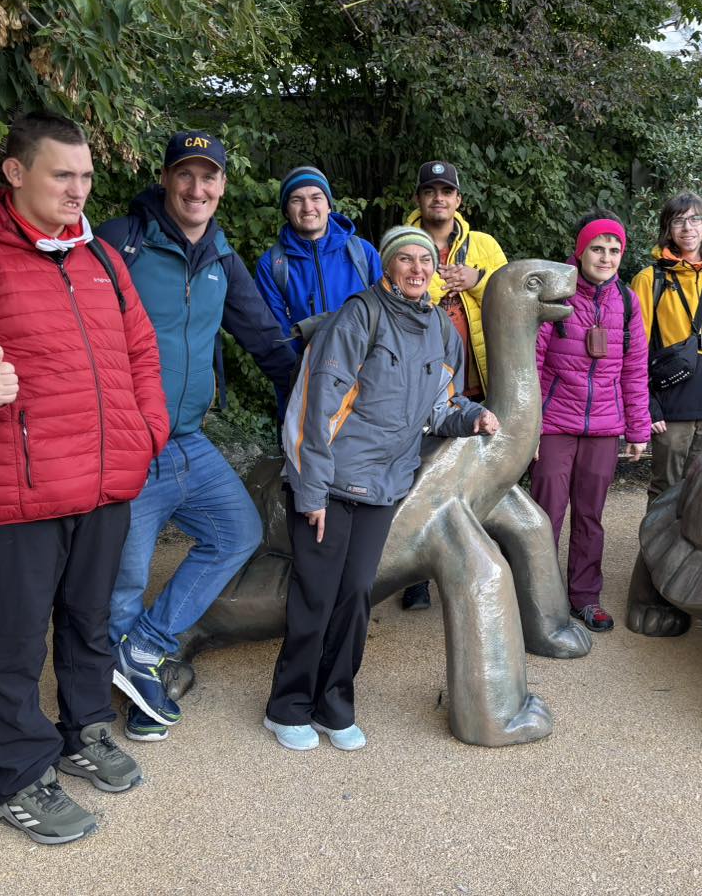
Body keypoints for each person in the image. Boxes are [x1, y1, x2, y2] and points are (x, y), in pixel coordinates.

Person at [0, 112, 170, 845]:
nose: (77, 190)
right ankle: (23, 776)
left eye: (86, 176)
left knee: (89, 620)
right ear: (16, 173)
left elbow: (141, 352)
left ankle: (85, 729)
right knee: (14, 641)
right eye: (62, 175)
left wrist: (148, 431)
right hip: (20, 492)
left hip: (106, 483)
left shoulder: (102, 258)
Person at [97, 131, 299, 744]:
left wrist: (318, 402)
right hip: (128, 441)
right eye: (185, 174)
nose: (196, 188)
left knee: (237, 532)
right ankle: (124, 692)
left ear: (222, 186)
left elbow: (265, 339)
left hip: (187, 438)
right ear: (165, 178)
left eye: (208, 176)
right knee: (125, 578)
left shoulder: (221, 258)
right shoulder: (120, 243)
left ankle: (144, 648)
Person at [264, 226, 499, 752]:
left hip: (384, 486)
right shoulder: (358, 317)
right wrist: (311, 491)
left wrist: (473, 417)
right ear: (387, 266)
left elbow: (440, 407)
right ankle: (287, 707)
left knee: (355, 597)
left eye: (425, 260)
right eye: (405, 259)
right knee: (316, 594)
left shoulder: (441, 330)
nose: (417, 268)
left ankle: (334, 705)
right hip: (330, 482)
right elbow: (313, 407)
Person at [530, 211, 651, 632]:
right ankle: (538, 598)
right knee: (545, 514)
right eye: (598, 249)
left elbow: (634, 369)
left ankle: (584, 597)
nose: (606, 257)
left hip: (604, 427)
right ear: (580, 252)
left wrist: (637, 428)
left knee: (590, 516)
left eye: (614, 250)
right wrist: (530, 427)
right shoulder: (555, 296)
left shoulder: (628, 302)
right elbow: (533, 362)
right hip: (553, 424)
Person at [399, 160, 508, 610]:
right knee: (421, 474)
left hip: (477, 382)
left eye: (446, 191)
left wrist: (477, 281)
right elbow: (387, 296)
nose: (438, 198)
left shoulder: (483, 245)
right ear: (419, 198)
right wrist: (430, 291)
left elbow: (511, 296)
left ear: (459, 200)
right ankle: (416, 574)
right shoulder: (403, 243)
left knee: (475, 475)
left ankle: (472, 565)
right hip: (423, 387)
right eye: (430, 191)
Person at [629, 192, 702, 506]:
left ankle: (694, 542)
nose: (688, 227)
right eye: (678, 221)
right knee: (665, 489)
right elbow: (635, 349)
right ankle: (657, 541)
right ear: (667, 229)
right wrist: (648, 405)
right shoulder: (650, 280)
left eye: (695, 219)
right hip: (671, 406)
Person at [253, 165, 382, 421]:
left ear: (329, 205)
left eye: (316, 197)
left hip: (364, 384)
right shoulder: (273, 265)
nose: (308, 207)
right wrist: (302, 381)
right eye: (296, 200)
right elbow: (275, 335)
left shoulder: (362, 253)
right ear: (286, 210)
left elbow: (384, 318)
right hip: (303, 387)